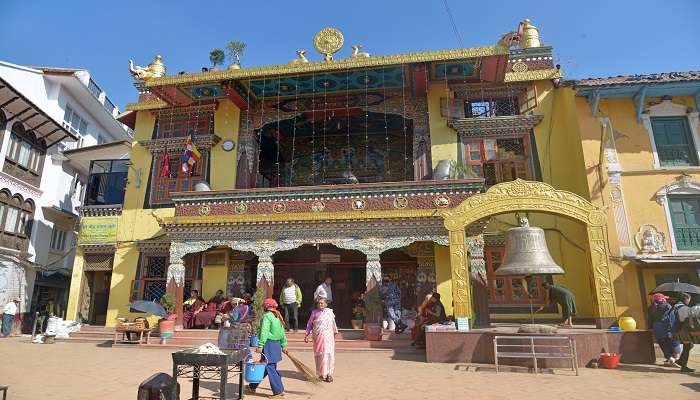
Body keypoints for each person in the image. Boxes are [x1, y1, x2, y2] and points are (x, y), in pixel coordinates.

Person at [248, 298, 288, 398]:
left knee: (270, 367)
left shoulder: (267, 316)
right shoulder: (278, 316)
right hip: (276, 344)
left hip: (269, 344)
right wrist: (284, 345)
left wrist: (260, 345)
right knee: (265, 366)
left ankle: (278, 391)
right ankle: (252, 386)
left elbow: (264, 332)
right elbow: (282, 332)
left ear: (266, 307)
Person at [305, 298, 338, 382]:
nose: (320, 305)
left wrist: (334, 333)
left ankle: (329, 374)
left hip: (329, 338)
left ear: (326, 304)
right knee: (320, 355)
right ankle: (321, 374)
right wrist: (307, 334)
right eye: (319, 303)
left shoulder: (330, 313)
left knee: (329, 355)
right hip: (318, 338)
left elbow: (333, 325)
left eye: (322, 303)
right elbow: (309, 324)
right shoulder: (314, 313)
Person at [647, 293, 681, 367]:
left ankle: (671, 358)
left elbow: (649, 321)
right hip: (668, 328)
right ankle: (677, 359)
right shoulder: (668, 306)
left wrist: (651, 329)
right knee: (674, 343)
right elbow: (672, 318)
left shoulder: (651, 308)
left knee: (663, 345)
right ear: (662, 299)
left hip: (657, 329)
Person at [672, 292, 697, 373]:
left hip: (676, 329)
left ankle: (680, 361)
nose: (689, 301)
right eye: (689, 299)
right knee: (687, 346)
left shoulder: (674, 306)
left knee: (690, 345)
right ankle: (684, 367)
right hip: (683, 329)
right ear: (686, 299)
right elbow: (689, 320)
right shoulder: (684, 308)